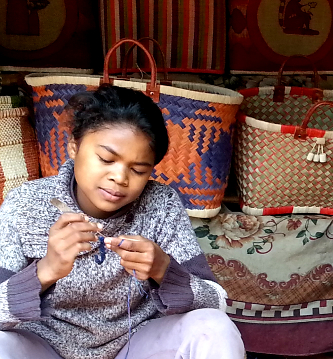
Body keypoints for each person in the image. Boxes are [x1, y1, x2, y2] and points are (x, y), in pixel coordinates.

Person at [0, 84, 245, 359]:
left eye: (138, 169)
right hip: (44, 348)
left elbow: (216, 302)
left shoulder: (161, 205)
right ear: (73, 147)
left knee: (214, 328)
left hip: (136, 346)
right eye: (106, 159)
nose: (120, 178)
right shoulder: (26, 204)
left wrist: (164, 270)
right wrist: (45, 271)